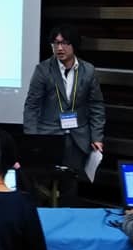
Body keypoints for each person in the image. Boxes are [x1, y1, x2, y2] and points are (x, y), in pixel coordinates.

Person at [23, 24, 105, 206]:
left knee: (70, 187)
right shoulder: (43, 69)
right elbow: (31, 106)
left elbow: (96, 105)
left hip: (77, 138)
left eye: (64, 43)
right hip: (48, 137)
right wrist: (32, 139)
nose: (59, 48)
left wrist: (97, 136)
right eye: (56, 43)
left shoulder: (88, 70)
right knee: (41, 188)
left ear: (74, 44)